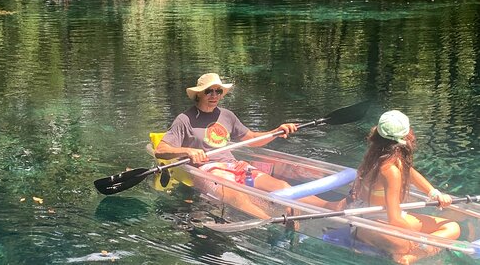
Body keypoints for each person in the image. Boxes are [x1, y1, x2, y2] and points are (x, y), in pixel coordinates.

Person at [154, 73, 344, 219]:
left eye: (218, 91)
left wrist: (276, 131)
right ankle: (270, 221)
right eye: (209, 91)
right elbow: (161, 150)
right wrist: (187, 150)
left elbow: (252, 139)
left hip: (235, 166)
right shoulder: (184, 119)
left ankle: (332, 207)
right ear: (198, 95)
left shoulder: (227, 115)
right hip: (207, 170)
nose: (214, 95)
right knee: (233, 194)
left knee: (282, 186)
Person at [350, 110, 460, 264]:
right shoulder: (390, 170)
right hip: (370, 222)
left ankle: (409, 256)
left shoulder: (383, 155)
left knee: (451, 226)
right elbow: (394, 219)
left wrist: (434, 193)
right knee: (405, 245)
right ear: (406, 137)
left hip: (383, 218)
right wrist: (419, 240)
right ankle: (410, 256)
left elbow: (412, 174)